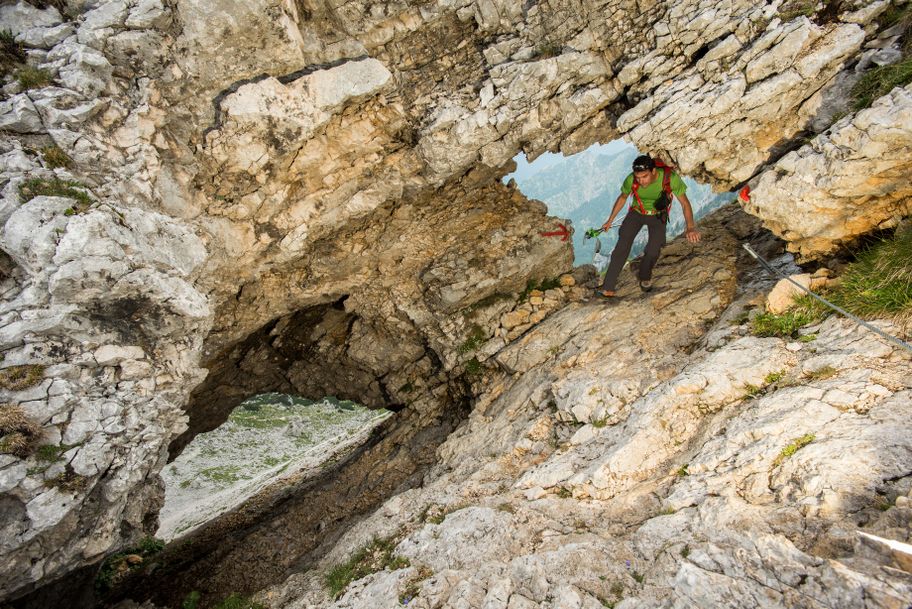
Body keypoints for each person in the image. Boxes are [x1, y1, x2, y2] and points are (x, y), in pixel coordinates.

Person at [596, 155, 701, 298]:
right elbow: (622, 198)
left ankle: (644, 276)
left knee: (653, 250)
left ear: (653, 171)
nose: (641, 181)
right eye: (638, 178)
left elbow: (685, 203)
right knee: (622, 247)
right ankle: (608, 287)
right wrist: (610, 220)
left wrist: (690, 227)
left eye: (644, 177)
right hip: (636, 213)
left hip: (658, 216)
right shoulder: (631, 179)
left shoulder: (669, 178)